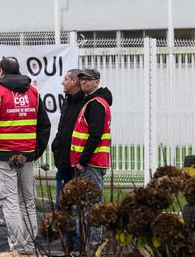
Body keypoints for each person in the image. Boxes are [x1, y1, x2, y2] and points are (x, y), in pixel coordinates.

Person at [0, 57, 51, 254]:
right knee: (27, 202)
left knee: (10, 203)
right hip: (26, 158)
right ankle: (29, 247)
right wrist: (35, 152)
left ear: (1, 71)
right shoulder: (33, 92)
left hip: (2, 158)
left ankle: (17, 249)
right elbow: (44, 125)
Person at [70, 67, 112, 251]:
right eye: (82, 79)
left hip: (91, 164)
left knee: (93, 208)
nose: (84, 82)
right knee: (89, 207)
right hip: (90, 164)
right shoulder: (93, 102)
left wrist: (82, 161)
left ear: (97, 81)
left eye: (88, 79)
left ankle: (95, 248)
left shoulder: (96, 104)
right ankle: (92, 247)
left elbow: (95, 135)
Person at [51, 69, 85, 207]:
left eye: (66, 79)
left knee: (75, 206)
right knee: (61, 205)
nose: (62, 82)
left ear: (74, 82)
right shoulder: (67, 101)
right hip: (62, 161)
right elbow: (62, 128)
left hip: (76, 163)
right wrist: (56, 145)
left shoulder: (85, 102)